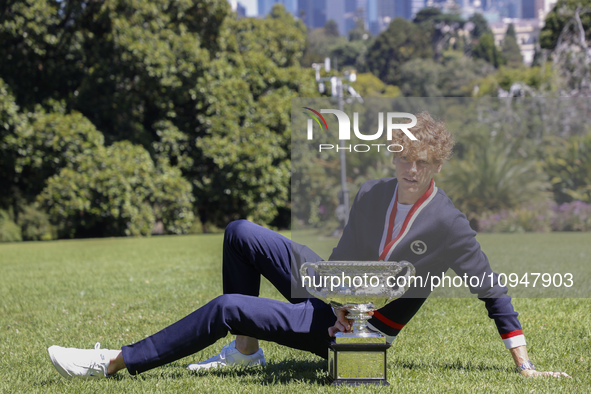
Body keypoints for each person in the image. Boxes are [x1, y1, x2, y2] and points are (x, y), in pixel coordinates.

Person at [48, 112, 569, 379]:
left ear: (437, 165)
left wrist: (524, 366)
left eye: (423, 162)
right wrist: (335, 293)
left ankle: (113, 362)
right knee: (240, 233)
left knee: (231, 306)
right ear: (394, 156)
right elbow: (342, 261)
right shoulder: (372, 194)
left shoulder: (450, 224)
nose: (411, 170)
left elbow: (492, 291)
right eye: (403, 158)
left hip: (358, 332)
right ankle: (247, 354)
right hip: (335, 294)